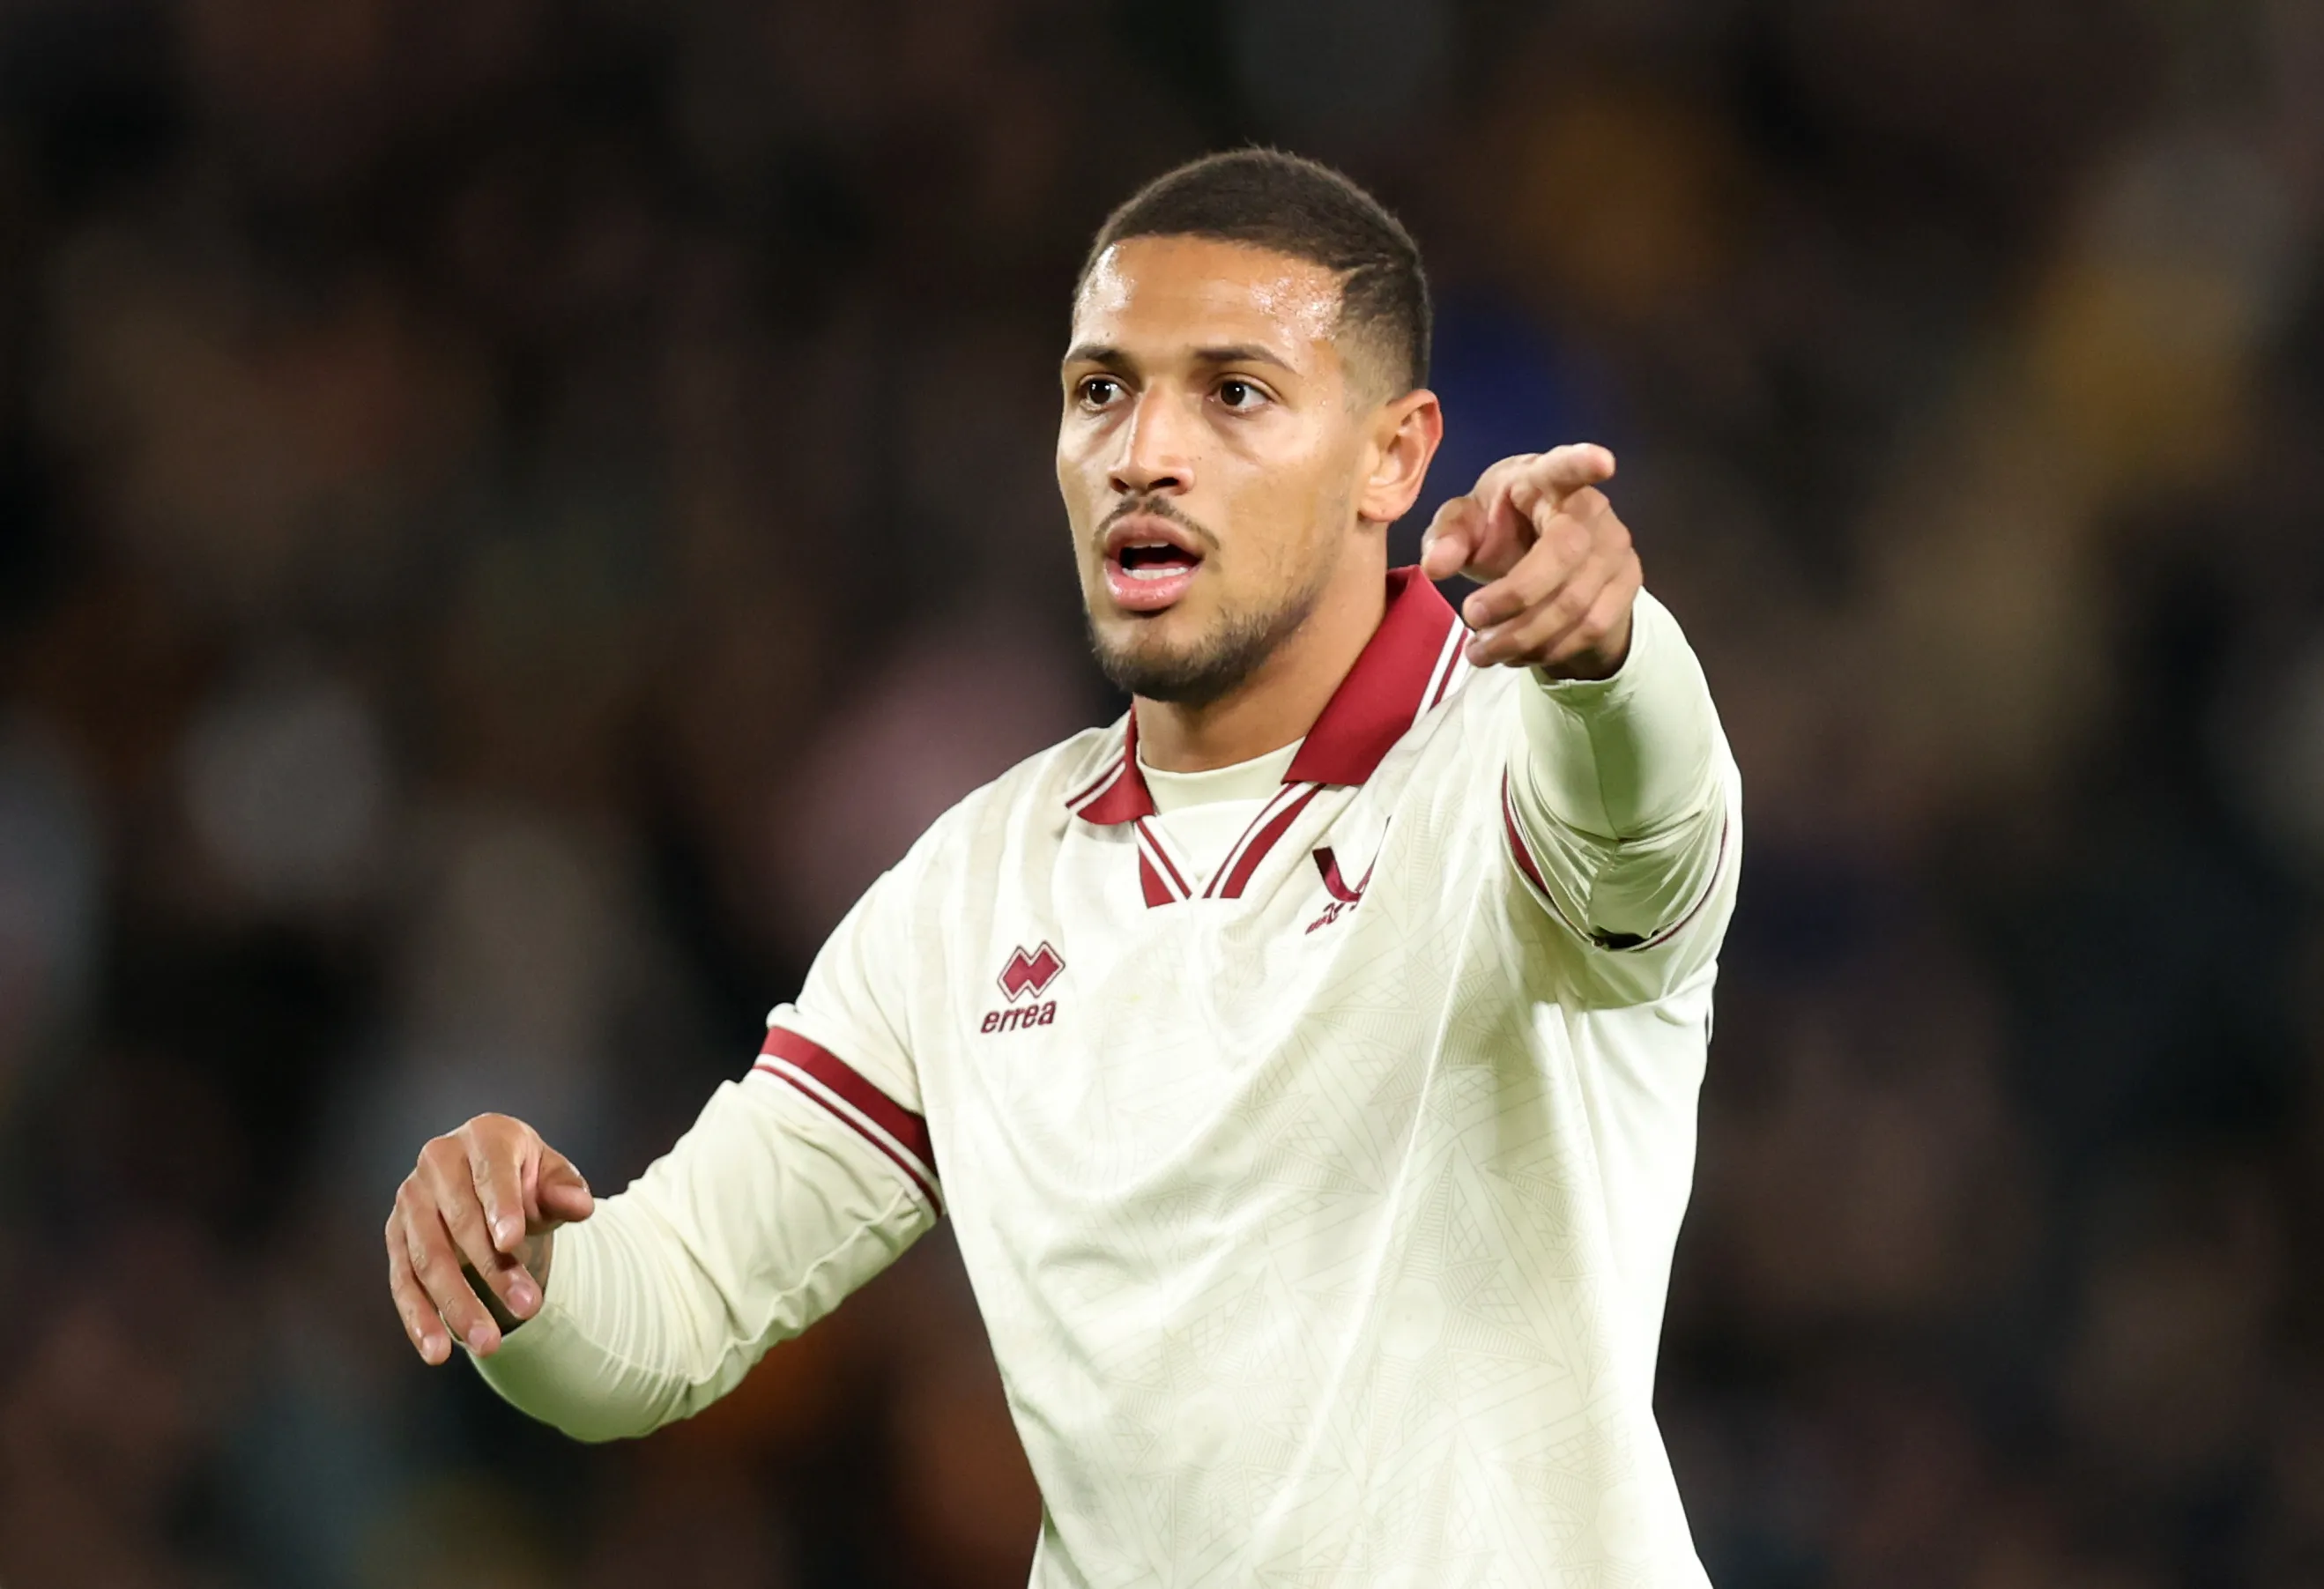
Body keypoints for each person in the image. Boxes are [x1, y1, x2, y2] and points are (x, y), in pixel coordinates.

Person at [384, 148, 1741, 1585]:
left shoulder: (1511, 771)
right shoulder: (973, 890)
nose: (1142, 450)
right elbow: (669, 1309)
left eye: (1234, 392)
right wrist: (510, 1264)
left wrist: (1614, 650)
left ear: (1393, 456)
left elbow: (1649, 835)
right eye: (1102, 388)